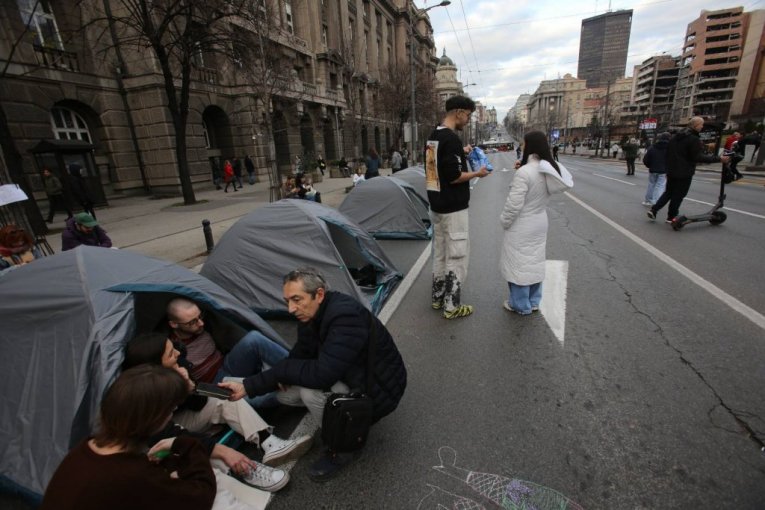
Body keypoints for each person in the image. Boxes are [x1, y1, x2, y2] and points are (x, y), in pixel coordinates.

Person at [219, 269, 407, 482]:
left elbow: (322, 375)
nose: (290, 309)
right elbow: (302, 352)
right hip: (355, 376)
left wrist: (260, 381)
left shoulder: (344, 316)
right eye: (287, 301)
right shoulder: (314, 313)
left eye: (296, 299)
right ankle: (330, 413)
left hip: (379, 390)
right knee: (285, 393)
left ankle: (343, 447)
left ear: (319, 294)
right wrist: (274, 379)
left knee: (310, 391)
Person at [123, 333, 312, 469]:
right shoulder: (141, 395)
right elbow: (164, 438)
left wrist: (189, 388)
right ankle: (305, 390)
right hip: (161, 438)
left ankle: (269, 442)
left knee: (224, 395)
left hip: (185, 413)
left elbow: (199, 404)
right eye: (171, 354)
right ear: (156, 365)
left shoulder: (177, 366)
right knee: (237, 393)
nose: (178, 355)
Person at [40, 365, 216, 510]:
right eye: (170, 411)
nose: (171, 416)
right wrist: (187, 445)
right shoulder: (132, 475)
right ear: (153, 419)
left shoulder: (84, 449)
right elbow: (201, 497)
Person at [424, 95, 489, 319]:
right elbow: (453, 176)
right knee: (457, 255)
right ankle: (452, 306)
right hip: (453, 209)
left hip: (437, 206)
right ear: (459, 112)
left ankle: (437, 297)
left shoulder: (434, 136)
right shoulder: (451, 139)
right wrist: (478, 173)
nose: (468, 120)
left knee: (441, 253)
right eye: (468, 115)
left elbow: (438, 170)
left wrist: (463, 153)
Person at [165, 297, 289, 409]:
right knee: (255, 399)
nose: (200, 323)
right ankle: (295, 393)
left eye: (200, 316)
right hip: (214, 384)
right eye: (192, 322)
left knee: (253, 338)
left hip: (227, 364)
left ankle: (297, 368)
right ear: (174, 324)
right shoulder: (172, 349)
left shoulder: (204, 324)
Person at [500, 131, 573, 316]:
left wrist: (505, 221)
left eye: (524, 143)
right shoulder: (547, 169)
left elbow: (514, 204)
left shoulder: (524, 172)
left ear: (529, 145)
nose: (522, 146)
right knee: (534, 261)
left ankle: (519, 304)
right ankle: (533, 301)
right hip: (540, 220)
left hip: (522, 223)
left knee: (519, 263)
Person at [647, 117, 729, 223]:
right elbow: (697, 157)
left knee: (668, 192)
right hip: (684, 172)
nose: (702, 127)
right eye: (701, 125)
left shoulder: (674, 138)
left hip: (672, 171)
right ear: (695, 126)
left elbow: (668, 155)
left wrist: (668, 169)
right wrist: (719, 159)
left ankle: (654, 210)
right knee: (678, 195)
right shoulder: (693, 139)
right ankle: (671, 216)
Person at [641, 132, 670, 206]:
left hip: (653, 169)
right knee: (660, 186)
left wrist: (650, 166)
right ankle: (656, 201)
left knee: (651, 185)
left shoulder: (653, 147)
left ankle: (648, 200)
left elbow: (646, 159)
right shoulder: (670, 148)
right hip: (663, 170)